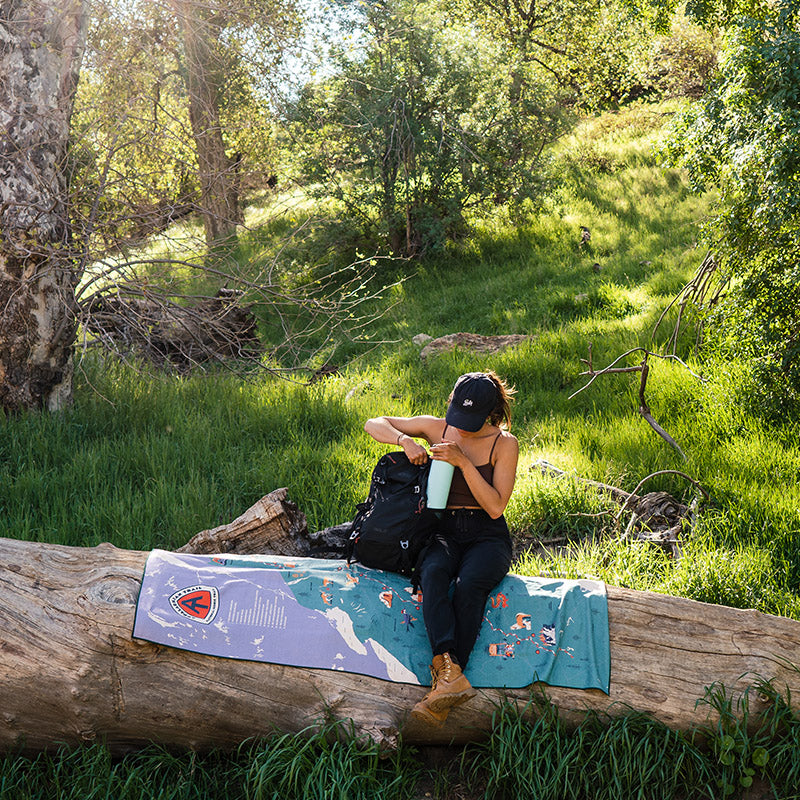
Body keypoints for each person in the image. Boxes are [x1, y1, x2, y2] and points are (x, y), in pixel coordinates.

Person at [364, 371, 519, 727]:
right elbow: (374, 422)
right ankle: (450, 677)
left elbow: (496, 506)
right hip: (443, 530)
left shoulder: (504, 444)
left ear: (490, 412)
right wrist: (405, 440)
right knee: (432, 573)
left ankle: (445, 684)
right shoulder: (439, 428)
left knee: (469, 584)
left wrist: (462, 461)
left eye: (470, 422)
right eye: (457, 419)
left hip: (487, 534)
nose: (461, 429)